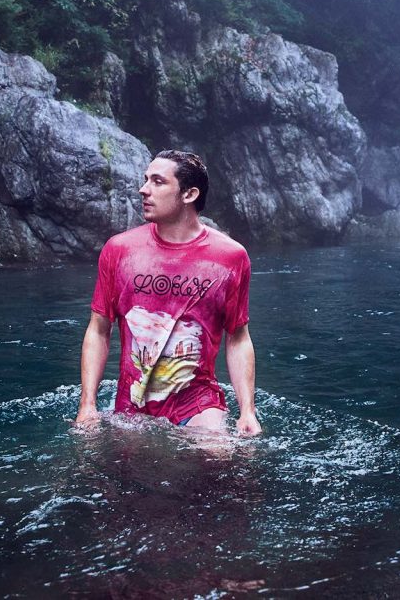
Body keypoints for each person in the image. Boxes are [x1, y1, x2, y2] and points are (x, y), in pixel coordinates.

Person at [73, 149, 262, 436]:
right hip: (132, 405)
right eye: (146, 179)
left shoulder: (231, 257)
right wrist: (87, 405)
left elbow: (238, 337)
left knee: (219, 454)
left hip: (197, 403)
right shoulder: (119, 250)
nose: (143, 189)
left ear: (189, 194)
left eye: (158, 181)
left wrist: (248, 411)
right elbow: (99, 329)